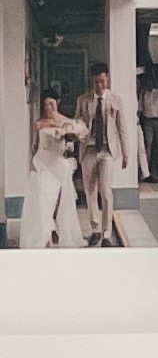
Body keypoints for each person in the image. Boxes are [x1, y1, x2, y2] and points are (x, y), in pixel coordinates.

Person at [17, 93, 81, 249]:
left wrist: (67, 132)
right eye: (46, 105)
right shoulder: (39, 123)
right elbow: (35, 144)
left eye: (51, 104)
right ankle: (44, 234)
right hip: (42, 162)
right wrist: (32, 162)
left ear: (57, 103)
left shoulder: (65, 122)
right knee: (42, 197)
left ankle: (58, 230)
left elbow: (80, 130)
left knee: (60, 200)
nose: (48, 108)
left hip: (58, 163)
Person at [80, 63, 135, 245]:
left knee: (105, 191)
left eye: (102, 81)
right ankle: (95, 227)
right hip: (88, 150)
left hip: (108, 151)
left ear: (107, 78)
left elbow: (122, 128)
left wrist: (126, 153)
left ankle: (106, 233)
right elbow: (77, 122)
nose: (99, 86)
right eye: (96, 82)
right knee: (90, 191)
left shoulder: (115, 100)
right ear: (91, 81)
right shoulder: (83, 100)